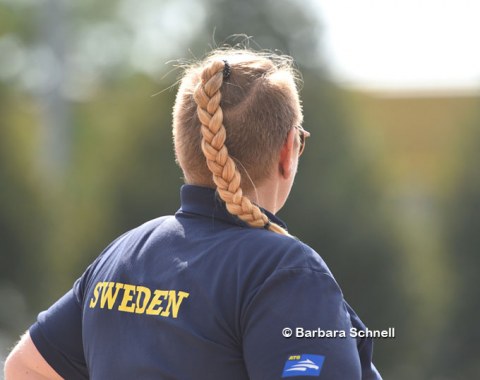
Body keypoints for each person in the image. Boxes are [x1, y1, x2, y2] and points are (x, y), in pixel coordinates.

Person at [4, 48, 381, 379]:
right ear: (287, 151)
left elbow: (25, 369)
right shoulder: (286, 273)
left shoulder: (125, 254)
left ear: (183, 149)